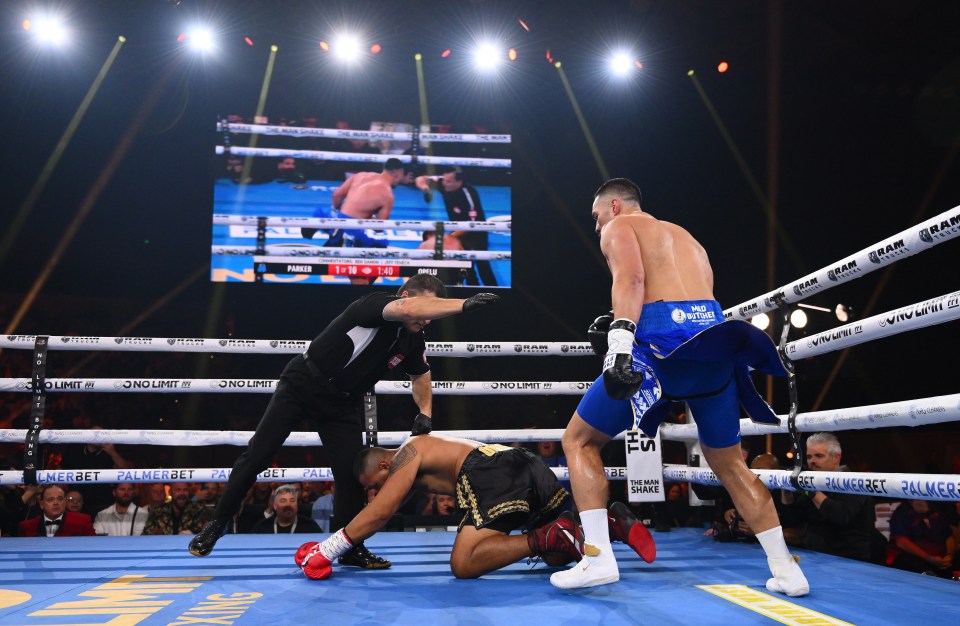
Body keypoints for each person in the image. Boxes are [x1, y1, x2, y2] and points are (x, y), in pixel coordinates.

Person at [553, 178, 807, 595]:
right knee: (730, 464)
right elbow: (697, 299)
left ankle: (596, 559)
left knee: (578, 440)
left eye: (597, 218)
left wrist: (619, 341)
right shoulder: (688, 239)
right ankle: (787, 571)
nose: (598, 229)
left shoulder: (621, 227)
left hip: (658, 347)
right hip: (713, 347)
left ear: (615, 206)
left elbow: (633, 280)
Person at [189, 274, 501, 568]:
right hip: (302, 384)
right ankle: (217, 523)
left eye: (434, 312)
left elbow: (420, 375)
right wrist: (463, 304)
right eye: (427, 308)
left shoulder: (413, 339)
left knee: (352, 476)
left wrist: (424, 413)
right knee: (257, 454)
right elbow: (410, 308)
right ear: (405, 297)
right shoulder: (373, 306)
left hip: (343, 403)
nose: (428, 318)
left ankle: (348, 548)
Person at [295, 433, 655, 580]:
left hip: (490, 472)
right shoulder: (419, 455)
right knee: (558, 559)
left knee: (464, 564)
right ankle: (609, 523)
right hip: (524, 464)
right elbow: (378, 510)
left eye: (374, 486)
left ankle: (552, 534)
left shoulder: (408, 452)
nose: (375, 495)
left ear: (384, 466)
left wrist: (328, 549)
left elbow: (381, 513)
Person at [780, 433, 879, 563]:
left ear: (836, 458)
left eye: (819, 456)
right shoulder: (814, 483)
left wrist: (812, 492)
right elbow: (793, 520)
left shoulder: (853, 482)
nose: (812, 461)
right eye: (809, 457)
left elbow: (841, 516)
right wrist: (787, 496)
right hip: (815, 557)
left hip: (848, 561)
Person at [415, 167, 498, 286]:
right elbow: (420, 179)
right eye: (444, 180)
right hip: (458, 232)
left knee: (483, 265)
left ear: (459, 182)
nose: (444, 184)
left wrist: (451, 236)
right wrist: (425, 189)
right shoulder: (444, 183)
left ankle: (495, 294)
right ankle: (472, 294)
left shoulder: (468, 194)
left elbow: (472, 224)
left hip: (477, 232)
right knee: (467, 267)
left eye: (448, 182)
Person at [301, 158, 406, 247]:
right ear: (398, 175)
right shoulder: (387, 195)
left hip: (336, 219)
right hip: (351, 229)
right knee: (381, 244)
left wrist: (340, 211)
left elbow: (337, 194)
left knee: (328, 214)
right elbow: (379, 227)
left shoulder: (361, 175)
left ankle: (319, 228)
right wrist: (368, 217)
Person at [18, 485, 95, 537]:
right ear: (41, 504)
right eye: (50, 500)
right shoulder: (27, 526)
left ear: (65, 502)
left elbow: (93, 547)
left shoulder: (82, 521)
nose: (56, 503)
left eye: (60, 499)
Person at [143, 482, 213, 536]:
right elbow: (145, 536)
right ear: (170, 492)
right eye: (178, 490)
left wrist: (193, 534)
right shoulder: (158, 512)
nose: (182, 493)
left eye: (185, 490)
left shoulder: (199, 510)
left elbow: (209, 534)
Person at [249, 484, 322, 535]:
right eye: (283, 501)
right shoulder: (262, 528)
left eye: (292, 500)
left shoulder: (310, 526)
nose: (288, 504)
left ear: (297, 504)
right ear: (275, 506)